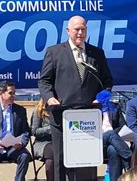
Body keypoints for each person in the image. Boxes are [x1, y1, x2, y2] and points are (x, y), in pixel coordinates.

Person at [38, 15, 114, 181]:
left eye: (83, 29)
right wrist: (49, 98)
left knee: (86, 159)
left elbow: (107, 82)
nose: (80, 33)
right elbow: (44, 81)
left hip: (88, 117)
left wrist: (101, 98)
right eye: (76, 29)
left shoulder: (97, 53)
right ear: (68, 31)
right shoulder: (54, 52)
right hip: (61, 116)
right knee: (59, 160)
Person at [96, 90, 132, 181]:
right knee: (109, 133)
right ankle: (130, 160)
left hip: (113, 142)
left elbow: (123, 126)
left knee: (113, 150)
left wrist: (112, 134)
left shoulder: (115, 107)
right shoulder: (94, 108)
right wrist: (110, 134)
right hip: (98, 140)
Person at [31, 99, 54, 181]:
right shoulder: (38, 111)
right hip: (42, 143)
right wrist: (52, 129)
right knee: (52, 151)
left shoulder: (63, 110)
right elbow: (34, 131)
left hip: (60, 141)